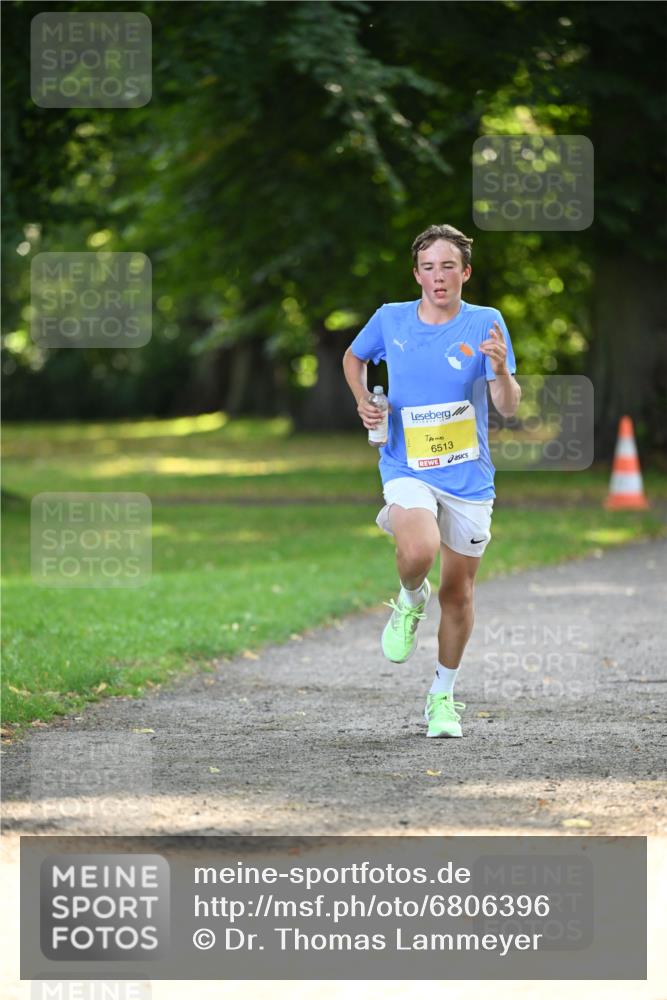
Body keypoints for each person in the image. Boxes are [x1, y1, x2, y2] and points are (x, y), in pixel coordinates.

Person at [342, 223, 521, 738]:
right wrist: (363, 401)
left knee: (458, 592)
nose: (438, 277)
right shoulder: (390, 319)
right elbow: (353, 358)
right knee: (418, 552)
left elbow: (508, 406)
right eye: (428, 267)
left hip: (468, 477)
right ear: (416, 273)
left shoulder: (486, 323)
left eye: (448, 267)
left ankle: (442, 696)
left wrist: (503, 371)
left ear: (464, 272)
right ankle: (408, 598)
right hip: (405, 465)